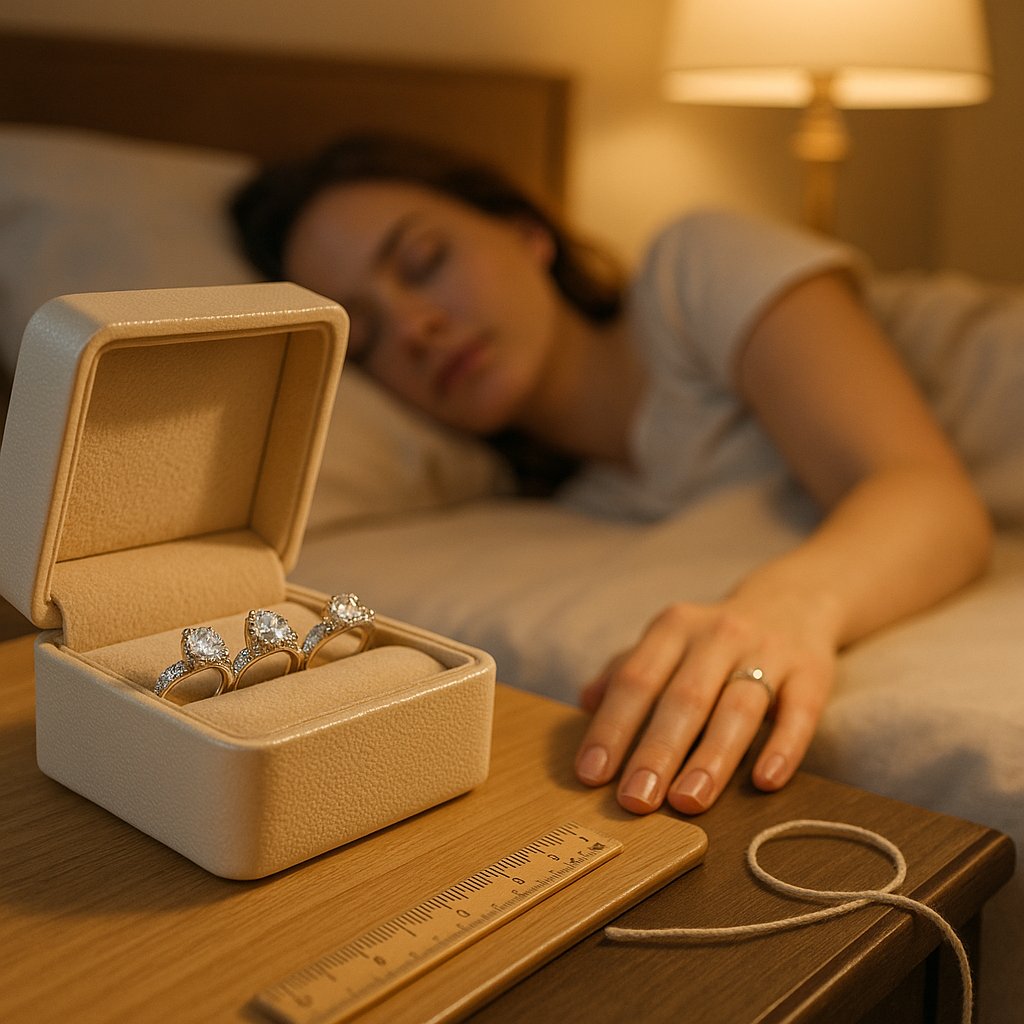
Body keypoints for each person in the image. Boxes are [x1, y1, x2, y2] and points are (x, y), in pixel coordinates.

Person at [231, 133, 992, 818]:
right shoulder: (585, 499)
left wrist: (779, 610)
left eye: (425, 262)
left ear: (528, 234)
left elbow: (928, 494)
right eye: (367, 340)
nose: (414, 328)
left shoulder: (694, 268)